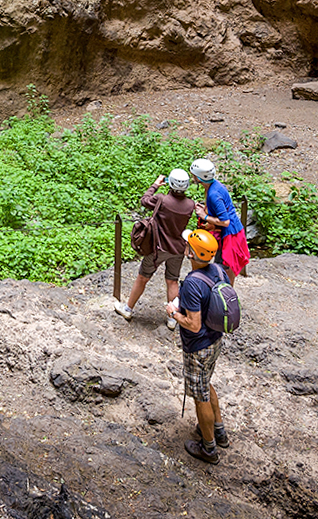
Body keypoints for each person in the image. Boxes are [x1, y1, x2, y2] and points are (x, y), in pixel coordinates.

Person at [168, 228, 231, 463]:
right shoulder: (218, 270)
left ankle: (209, 448)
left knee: (200, 395)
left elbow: (192, 325)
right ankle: (219, 430)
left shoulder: (192, 284)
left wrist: (174, 313)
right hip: (215, 339)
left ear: (192, 254)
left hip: (198, 346)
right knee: (206, 384)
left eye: (188, 246)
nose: (185, 247)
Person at [115, 168, 196, 330]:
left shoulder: (162, 200)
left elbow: (144, 200)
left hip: (157, 248)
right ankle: (173, 318)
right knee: (172, 280)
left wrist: (155, 185)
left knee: (143, 277)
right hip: (178, 249)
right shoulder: (190, 205)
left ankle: (128, 309)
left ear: (170, 184)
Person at [191, 158, 249, 280]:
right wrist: (206, 209)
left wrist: (204, 216)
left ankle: (226, 294)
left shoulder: (214, 194)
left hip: (230, 233)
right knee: (221, 265)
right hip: (229, 230)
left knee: (224, 267)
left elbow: (225, 221)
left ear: (199, 177)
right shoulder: (213, 185)